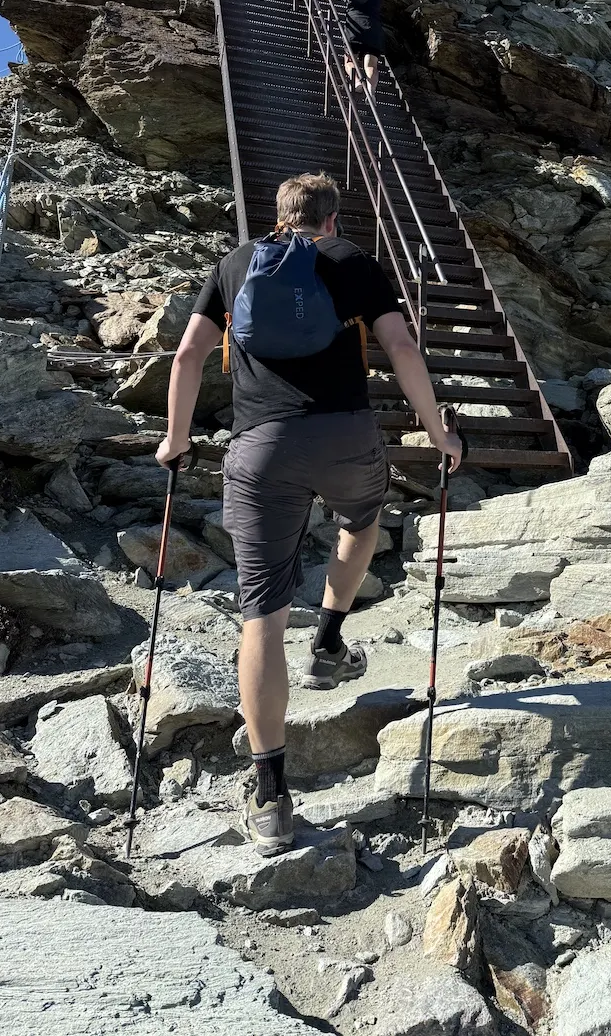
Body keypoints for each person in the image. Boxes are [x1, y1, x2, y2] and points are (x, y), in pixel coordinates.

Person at [155, 172, 462, 856]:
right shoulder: (352, 261)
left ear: (278, 215)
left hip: (261, 448)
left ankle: (271, 798)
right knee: (360, 522)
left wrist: (175, 439)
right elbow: (402, 347)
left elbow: (188, 354)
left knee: (260, 611)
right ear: (331, 218)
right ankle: (328, 640)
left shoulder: (236, 264)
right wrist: (437, 431)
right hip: (347, 435)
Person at [326, 0, 385, 93]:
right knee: (370, 65)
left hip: (356, 29)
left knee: (350, 60)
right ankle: (371, 88)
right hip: (374, 31)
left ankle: (357, 82)